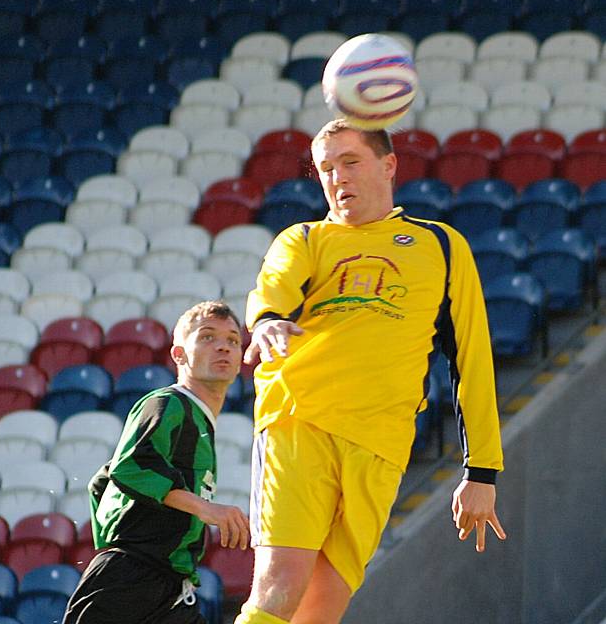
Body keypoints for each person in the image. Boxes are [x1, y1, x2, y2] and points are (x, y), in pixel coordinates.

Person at [235, 119, 507, 624]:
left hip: (380, 445)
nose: (337, 177)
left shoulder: (442, 246)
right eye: (325, 168)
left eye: (350, 162)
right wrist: (269, 322)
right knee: (279, 586)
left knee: (320, 613)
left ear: (388, 165)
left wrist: (482, 471)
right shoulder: (305, 238)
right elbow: (273, 290)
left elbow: (471, 359)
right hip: (301, 422)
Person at [63, 300, 250, 624]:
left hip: (170, 588)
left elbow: (101, 481)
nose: (223, 346)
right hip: (130, 582)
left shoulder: (201, 423)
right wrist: (207, 509)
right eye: (207, 337)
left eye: (233, 340)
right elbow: (131, 466)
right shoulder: (169, 403)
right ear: (179, 355)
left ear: (239, 360)